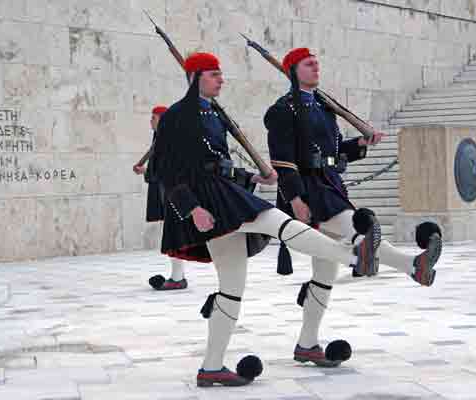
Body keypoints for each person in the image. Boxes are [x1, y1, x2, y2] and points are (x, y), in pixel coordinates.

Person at [153, 51, 434, 388]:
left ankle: (211, 367)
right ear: (195, 76)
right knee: (275, 221)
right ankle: (357, 257)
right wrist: (192, 208)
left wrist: (252, 177)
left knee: (231, 288)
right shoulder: (177, 116)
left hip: (227, 189)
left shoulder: (212, 112)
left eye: (220, 74)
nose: (221, 79)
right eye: (214, 74)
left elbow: (216, 161)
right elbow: (165, 171)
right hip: (208, 198)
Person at [264, 47, 443, 366]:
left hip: (330, 183)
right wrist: (294, 199)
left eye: (317, 61)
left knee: (324, 274)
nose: (316, 66)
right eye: (309, 64)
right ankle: (412, 266)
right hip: (308, 191)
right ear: (293, 71)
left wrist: (359, 144)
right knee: (361, 232)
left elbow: (331, 150)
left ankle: (306, 345)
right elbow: (282, 159)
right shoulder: (282, 110)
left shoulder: (321, 105)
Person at [133, 106, 189, 290]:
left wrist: (146, 171)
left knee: (175, 235)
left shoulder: (170, 140)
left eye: (153, 118)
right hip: (169, 192)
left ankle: (178, 278)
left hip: (175, 192)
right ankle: (177, 276)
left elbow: (168, 169)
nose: (151, 121)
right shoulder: (162, 138)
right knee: (173, 234)